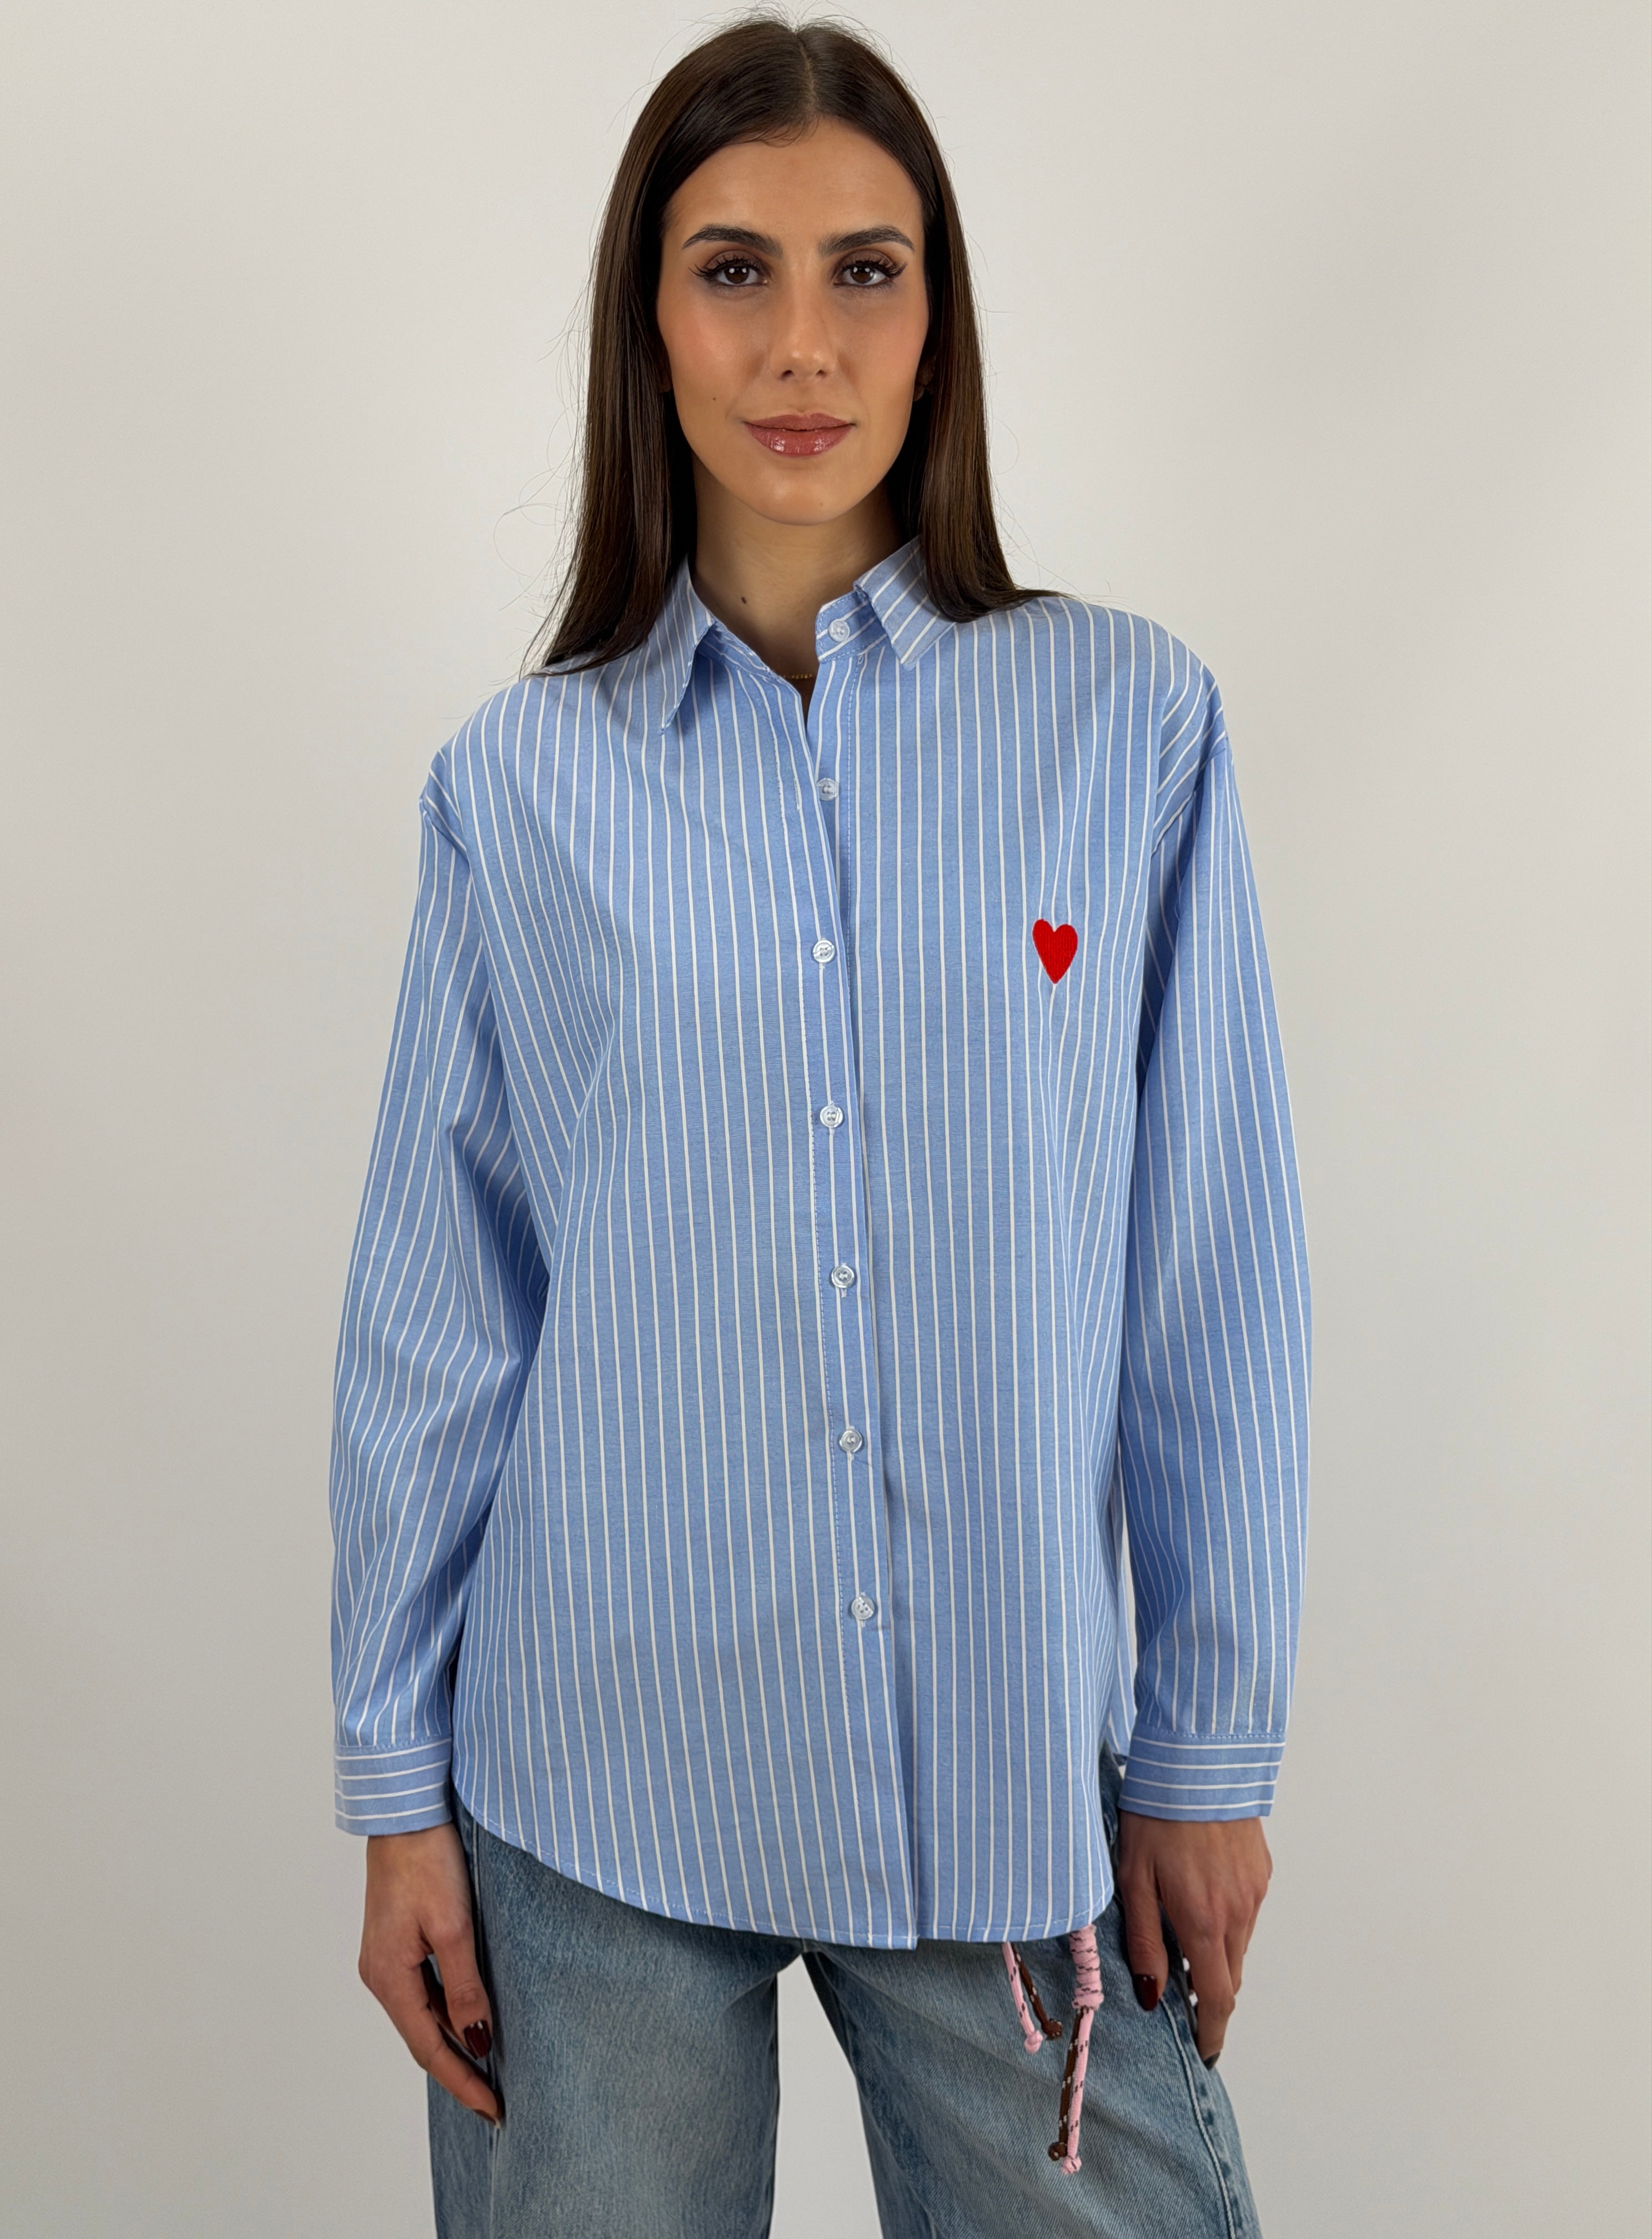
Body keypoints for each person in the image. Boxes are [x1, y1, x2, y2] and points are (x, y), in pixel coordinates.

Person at [329, 16, 1312, 2235]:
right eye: (732, 271)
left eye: (867, 270)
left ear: (939, 316)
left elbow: (1212, 1282)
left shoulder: (1127, 726)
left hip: (1004, 1788)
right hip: (587, 1794)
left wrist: (1205, 1750)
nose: (802, 344)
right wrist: (394, 1789)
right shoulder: (518, 789)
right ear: (647, 319)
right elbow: (438, 1318)